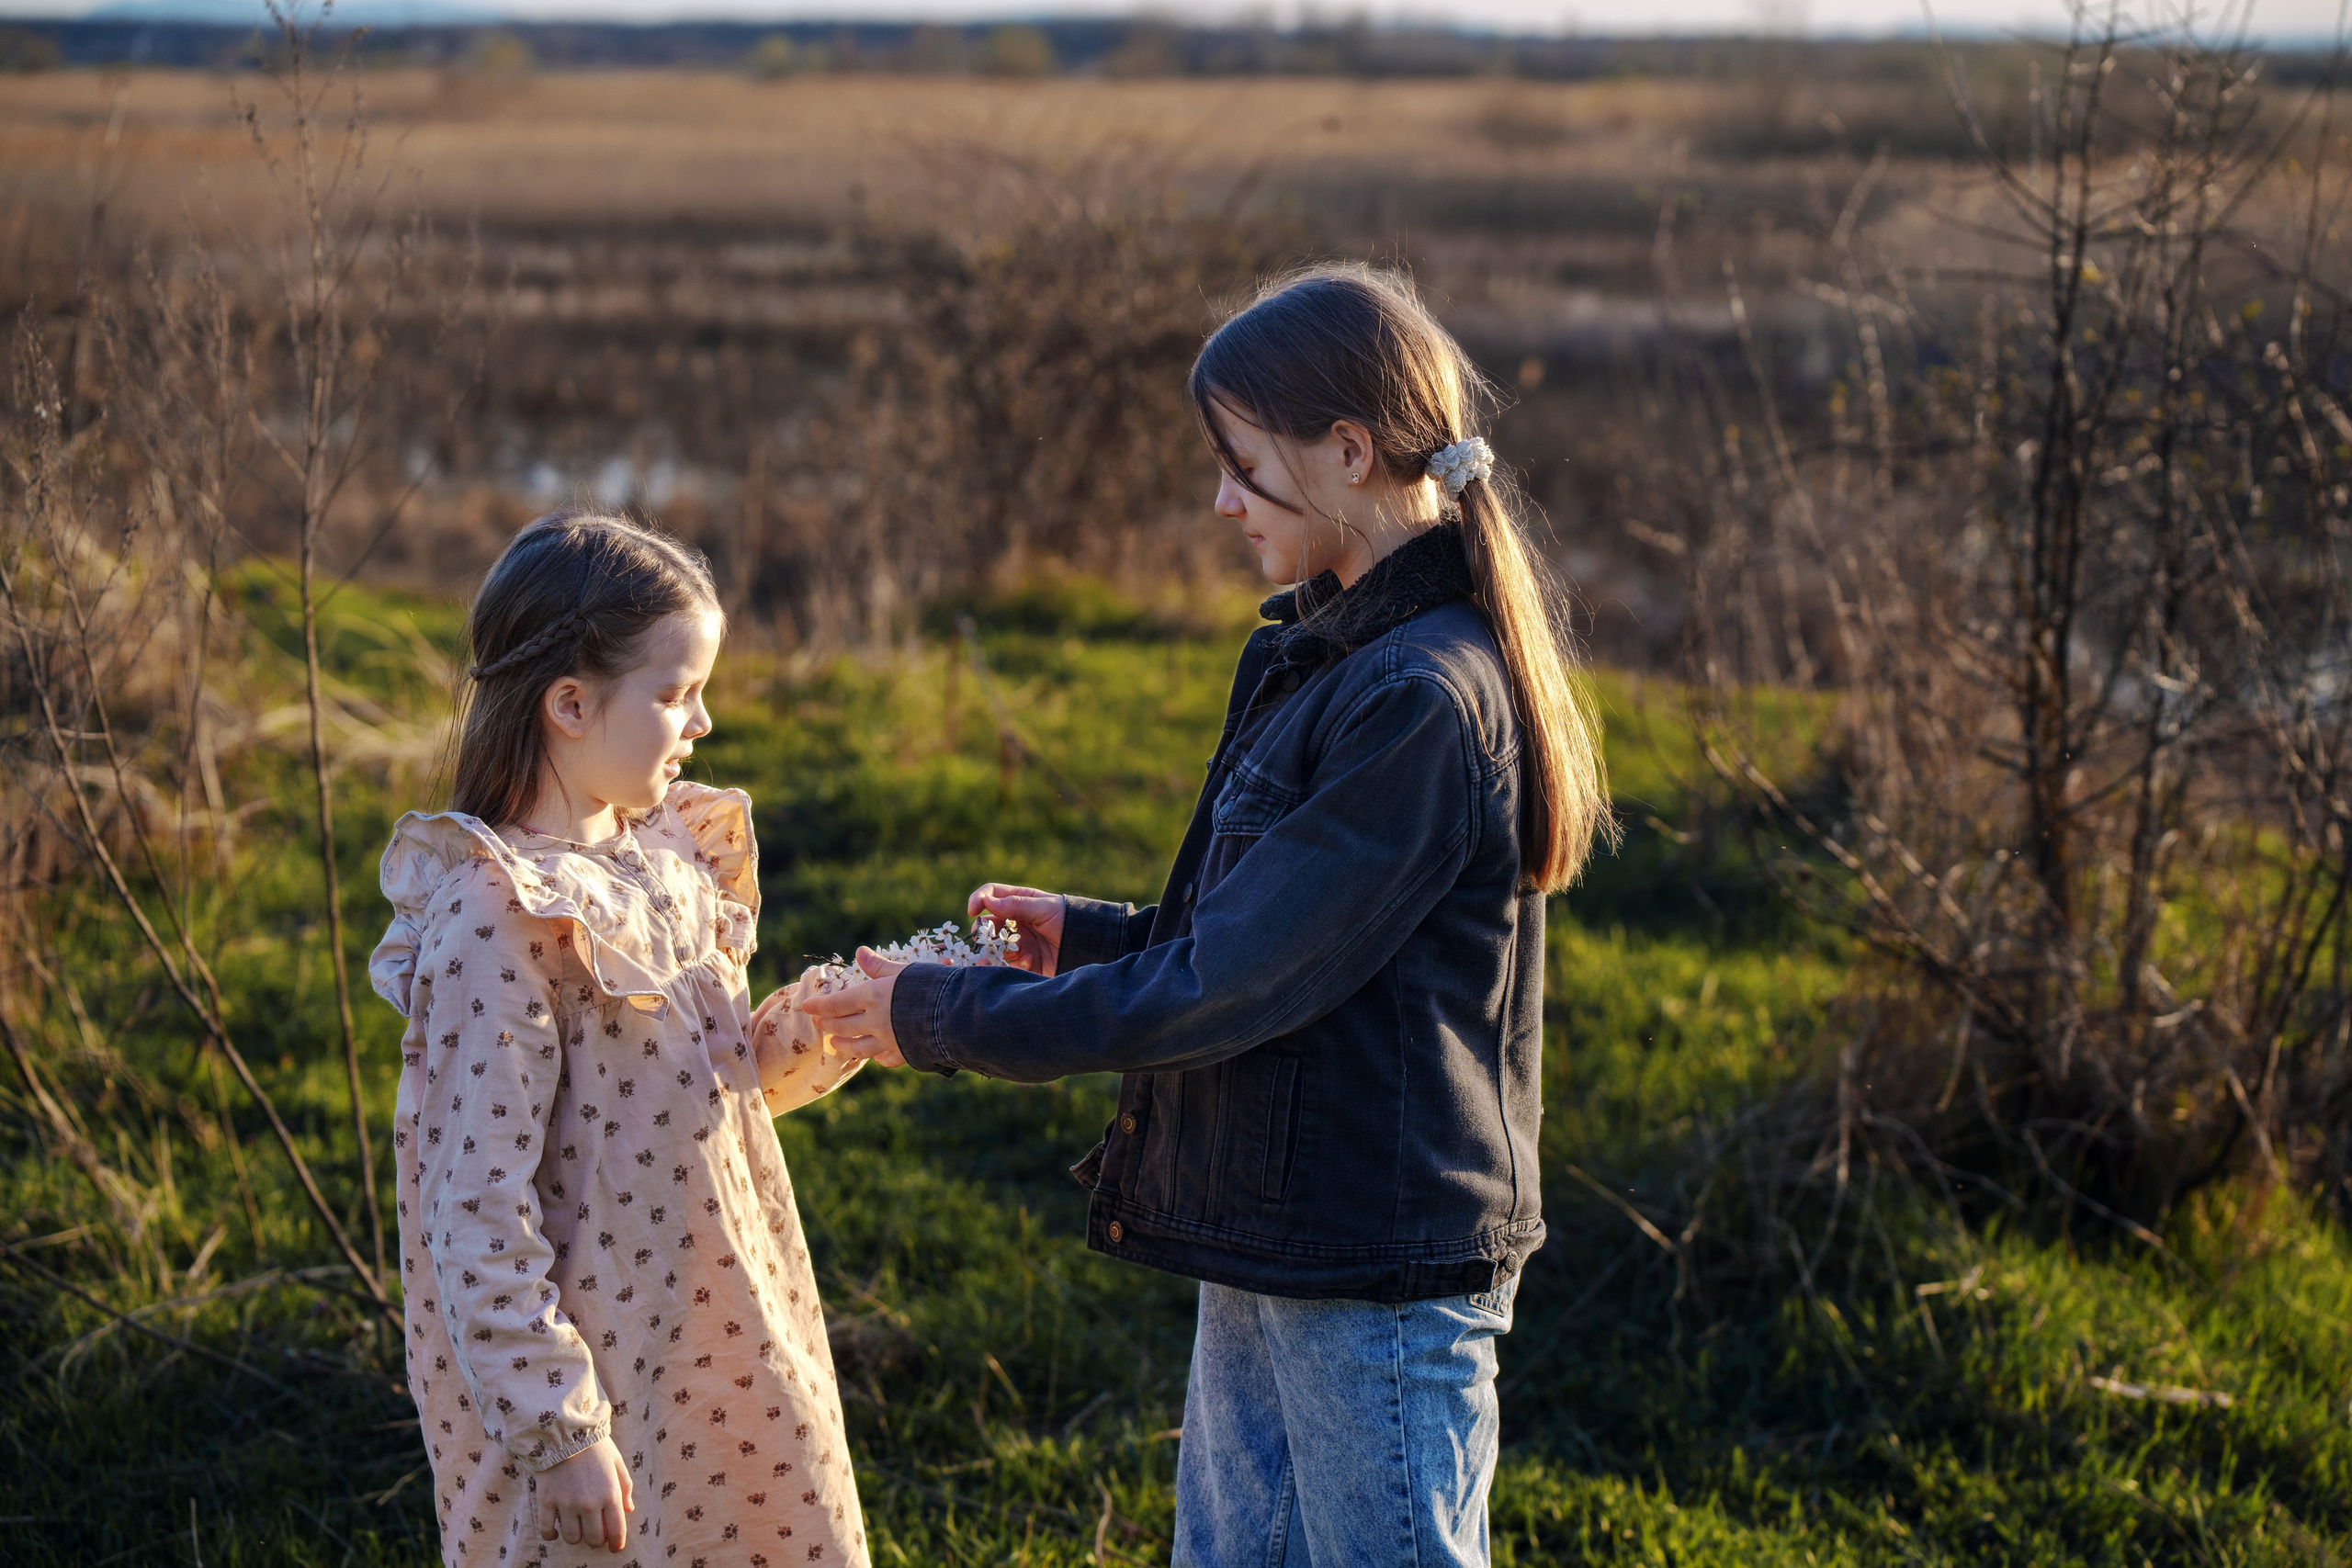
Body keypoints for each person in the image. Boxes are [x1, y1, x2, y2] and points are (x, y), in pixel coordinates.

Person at [788, 265, 1615, 1566]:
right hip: (1279, 1224)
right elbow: (1259, 932)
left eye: (1242, 462)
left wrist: (938, 1012)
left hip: (1372, 1261)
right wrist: (1091, 934)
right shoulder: (1332, 654)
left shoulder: (1419, 699)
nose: (1221, 497)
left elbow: (1227, 983)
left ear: (1349, 452)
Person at [368, 512, 868, 1566]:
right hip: (596, 1366)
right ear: (570, 704)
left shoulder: (671, 855)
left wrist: (815, 1027)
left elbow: (702, 1088)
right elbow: (474, 1208)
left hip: (721, 1326)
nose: (703, 723)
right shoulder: (498, 922)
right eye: (677, 693)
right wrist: (559, 1427)